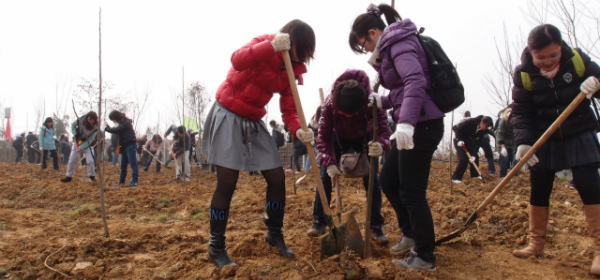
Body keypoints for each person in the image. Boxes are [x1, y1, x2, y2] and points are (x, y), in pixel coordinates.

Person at [201, 19, 315, 267]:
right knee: (227, 182)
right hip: (228, 112)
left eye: (304, 55)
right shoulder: (265, 44)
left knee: (276, 176)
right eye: (300, 51)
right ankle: (216, 245)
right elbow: (237, 60)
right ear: (290, 40)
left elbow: (289, 110)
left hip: (253, 119)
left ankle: (274, 233)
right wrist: (271, 47)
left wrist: (299, 131)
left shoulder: (292, 69)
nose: (300, 58)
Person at [349, 4, 444, 270]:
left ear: (372, 33)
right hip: (415, 120)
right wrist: (383, 100)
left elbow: (415, 81)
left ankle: (425, 256)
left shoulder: (398, 43)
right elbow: (404, 90)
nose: (366, 51)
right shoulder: (392, 45)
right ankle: (411, 232)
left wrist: (406, 124)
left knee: (412, 191)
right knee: (389, 180)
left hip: (421, 125)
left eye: (363, 44)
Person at [510, 24, 600, 275]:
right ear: (531, 52)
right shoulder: (524, 74)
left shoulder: (578, 61)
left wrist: (597, 83)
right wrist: (523, 141)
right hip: (544, 136)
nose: (548, 62)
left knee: (587, 182)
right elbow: (521, 111)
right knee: (539, 186)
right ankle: (535, 244)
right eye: (541, 57)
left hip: (578, 130)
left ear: (561, 48)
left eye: (553, 56)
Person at [309, 70, 391, 244]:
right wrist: (329, 162)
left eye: (352, 114)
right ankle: (319, 221)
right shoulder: (330, 104)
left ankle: (375, 226)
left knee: (373, 180)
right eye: (345, 114)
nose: (349, 117)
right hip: (337, 140)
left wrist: (381, 145)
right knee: (324, 177)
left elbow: (385, 130)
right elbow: (322, 138)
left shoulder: (372, 103)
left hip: (365, 140)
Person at [451, 115, 493, 183]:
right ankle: (456, 178)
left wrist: (473, 154)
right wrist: (459, 139)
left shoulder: (483, 131)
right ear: (482, 123)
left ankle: (475, 175)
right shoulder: (470, 122)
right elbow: (457, 129)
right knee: (464, 159)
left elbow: (477, 143)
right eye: (486, 126)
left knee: (475, 157)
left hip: (469, 142)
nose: (486, 128)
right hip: (459, 140)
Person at [61, 111, 99, 183]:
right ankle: (69, 176)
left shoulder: (96, 127)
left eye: (92, 121)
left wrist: (81, 148)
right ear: (87, 118)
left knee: (90, 161)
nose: (90, 122)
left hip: (88, 145)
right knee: (72, 160)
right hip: (77, 142)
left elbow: (91, 139)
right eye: (89, 120)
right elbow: (72, 125)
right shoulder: (81, 119)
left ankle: (92, 175)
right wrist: (75, 134)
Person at [105, 110, 138, 187]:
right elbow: (116, 131)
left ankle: (134, 181)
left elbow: (116, 130)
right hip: (124, 146)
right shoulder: (121, 123)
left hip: (130, 145)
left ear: (115, 118)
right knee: (123, 165)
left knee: (133, 164)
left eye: (112, 119)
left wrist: (106, 128)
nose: (113, 121)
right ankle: (121, 182)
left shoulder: (126, 122)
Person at [495, 107, 515, 178]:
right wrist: (502, 147)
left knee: (515, 160)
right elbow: (500, 134)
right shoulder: (503, 121)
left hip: (513, 143)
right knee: (504, 160)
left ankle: (514, 177)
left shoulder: (516, 121)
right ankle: (502, 176)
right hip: (503, 143)